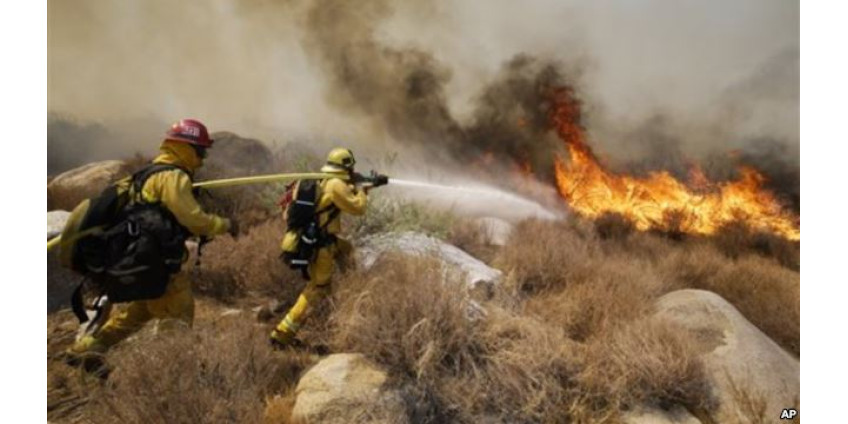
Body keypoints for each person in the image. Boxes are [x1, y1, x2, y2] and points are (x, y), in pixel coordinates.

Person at [65, 118, 234, 361]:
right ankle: (172, 367)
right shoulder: (173, 177)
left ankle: (91, 346)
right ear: (187, 148)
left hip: (143, 259)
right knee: (178, 312)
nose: (203, 158)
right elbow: (192, 219)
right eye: (201, 151)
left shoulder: (147, 174)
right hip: (158, 261)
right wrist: (225, 225)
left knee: (141, 311)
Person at [269, 147, 369, 348]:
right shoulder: (335, 185)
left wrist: (354, 185)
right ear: (347, 167)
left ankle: (351, 293)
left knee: (347, 249)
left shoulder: (322, 180)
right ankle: (283, 334)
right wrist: (363, 190)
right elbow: (358, 208)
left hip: (319, 240)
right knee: (317, 289)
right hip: (322, 245)